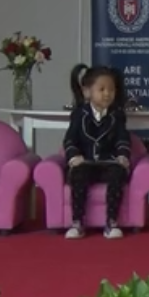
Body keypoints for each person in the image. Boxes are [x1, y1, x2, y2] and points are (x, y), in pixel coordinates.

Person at [62, 64, 132, 240]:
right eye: (101, 89)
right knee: (78, 175)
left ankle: (112, 221)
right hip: (85, 162)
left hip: (108, 163)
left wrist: (122, 155)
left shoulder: (117, 115)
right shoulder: (79, 114)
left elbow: (123, 139)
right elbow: (70, 139)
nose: (107, 94)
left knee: (117, 174)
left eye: (111, 89)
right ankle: (77, 222)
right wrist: (73, 156)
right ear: (87, 92)